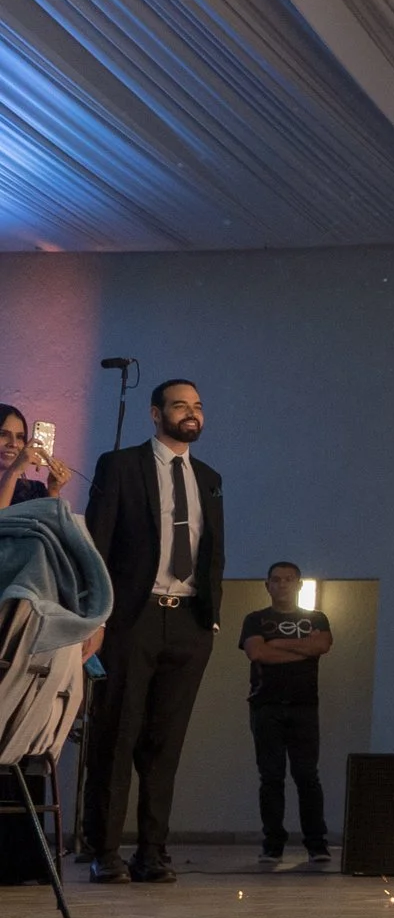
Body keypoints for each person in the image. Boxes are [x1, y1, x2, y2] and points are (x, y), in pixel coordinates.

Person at [79, 379, 223, 884]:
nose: (192, 414)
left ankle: (153, 852)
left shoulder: (208, 476)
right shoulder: (120, 466)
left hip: (187, 622)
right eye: (181, 405)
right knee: (116, 735)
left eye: (198, 407)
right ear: (155, 414)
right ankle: (104, 851)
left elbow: (213, 552)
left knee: (166, 743)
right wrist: (95, 618)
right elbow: (95, 545)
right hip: (131, 619)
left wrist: (212, 619)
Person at [239, 561, 332, 870]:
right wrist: (301, 649)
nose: (282, 585)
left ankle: (317, 845)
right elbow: (258, 653)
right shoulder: (255, 620)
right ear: (267, 585)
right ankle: (273, 845)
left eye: (288, 580)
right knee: (271, 777)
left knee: (307, 776)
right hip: (266, 706)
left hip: (305, 706)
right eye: (276, 580)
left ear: (298, 584)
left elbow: (321, 646)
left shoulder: (316, 618)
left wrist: (278, 643)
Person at [0, 403, 70, 507]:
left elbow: (51, 522)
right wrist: (14, 472)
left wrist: (53, 492)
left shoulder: (34, 490)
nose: (14, 444)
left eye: (20, 437)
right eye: (3, 434)